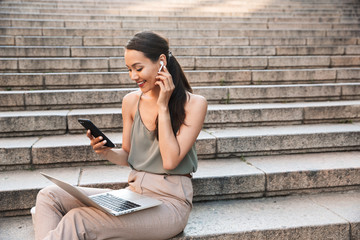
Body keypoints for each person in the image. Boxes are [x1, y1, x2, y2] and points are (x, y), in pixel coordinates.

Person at [33, 31, 208, 240]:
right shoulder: (131, 102)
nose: (133, 76)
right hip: (134, 194)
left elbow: (170, 161)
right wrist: (106, 151)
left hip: (170, 204)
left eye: (139, 68)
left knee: (78, 219)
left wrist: (163, 106)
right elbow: (127, 155)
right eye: (129, 69)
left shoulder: (195, 104)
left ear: (161, 62)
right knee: (49, 196)